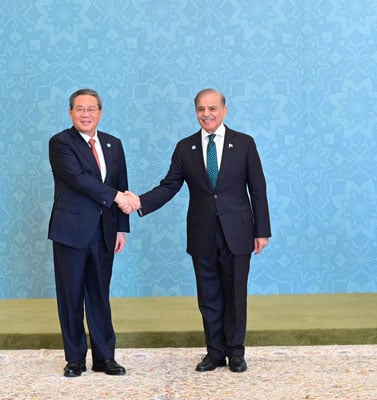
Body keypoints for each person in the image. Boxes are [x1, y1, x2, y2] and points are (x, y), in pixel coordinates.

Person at [123, 88, 271, 373]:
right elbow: (170, 185)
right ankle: (214, 353)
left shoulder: (244, 144)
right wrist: (139, 201)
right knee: (209, 297)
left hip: (238, 233)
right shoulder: (185, 147)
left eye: (213, 108)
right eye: (201, 109)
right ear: (196, 112)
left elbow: (258, 188)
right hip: (202, 233)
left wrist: (261, 230)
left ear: (224, 110)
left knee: (236, 296)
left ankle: (236, 353)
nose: (207, 114)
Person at [47, 88, 137, 377]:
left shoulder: (113, 144)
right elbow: (78, 179)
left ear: (100, 112)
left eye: (92, 109)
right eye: (80, 109)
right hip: (70, 232)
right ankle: (75, 359)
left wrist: (121, 228)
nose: (86, 114)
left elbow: (121, 182)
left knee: (100, 294)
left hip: (105, 232)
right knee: (71, 296)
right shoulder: (60, 143)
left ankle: (104, 357)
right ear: (71, 112)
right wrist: (117, 197)